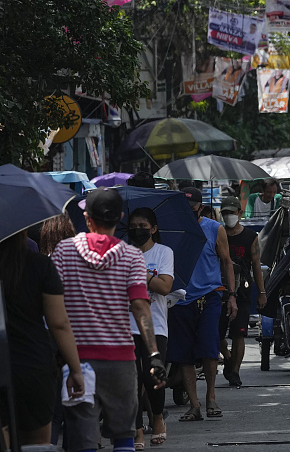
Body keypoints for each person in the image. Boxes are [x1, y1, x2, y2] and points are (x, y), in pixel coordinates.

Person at [53, 188, 166, 452]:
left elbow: (56, 316)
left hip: (77, 361)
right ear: (121, 217)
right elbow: (140, 307)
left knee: (83, 438)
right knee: (124, 437)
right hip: (121, 362)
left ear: (86, 217)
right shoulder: (131, 256)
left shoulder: (64, 252)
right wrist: (154, 354)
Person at [0, 230, 84, 447]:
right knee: (37, 443)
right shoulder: (39, 265)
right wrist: (75, 370)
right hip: (32, 363)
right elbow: (59, 323)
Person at [167, 187, 236, 422]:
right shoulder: (172, 230)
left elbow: (227, 262)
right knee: (184, 354)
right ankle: (194, 405)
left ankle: (211, 398)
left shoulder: (214, 229)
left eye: (192, 208)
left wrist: (233, 295)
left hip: (210, 295)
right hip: (181, 298)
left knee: (209, 349)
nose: (188, 212)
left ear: (201, 208)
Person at [126, 207, 173, 449]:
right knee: (132, 379)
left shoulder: (164, 252)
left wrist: (142, 275)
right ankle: (137, 430)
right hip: (126, 325)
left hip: (155, 326)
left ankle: (157, 417)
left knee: (152, 375)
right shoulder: (121, 253)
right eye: (133, 226)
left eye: (143, 226)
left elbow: (165, 287)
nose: (138, 230)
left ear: (153, 229)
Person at [218, 197, 265, 389]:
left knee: (239, 333)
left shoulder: (250, 236)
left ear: (239, 212)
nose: (229, 216)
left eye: (232, 212)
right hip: (220, 288)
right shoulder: (217, 233)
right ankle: (228, 359)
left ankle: (235, 371)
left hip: (243, 289)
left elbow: (256, 265)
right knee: (216, 333)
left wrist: (262, 292)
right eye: (225, 213)